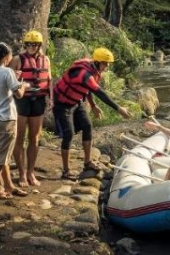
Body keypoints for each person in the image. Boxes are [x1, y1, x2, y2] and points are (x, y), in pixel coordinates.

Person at [52, 47, 133, 180]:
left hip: (76, 101)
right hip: (63, 104)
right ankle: (66, 171)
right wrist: (119, 108)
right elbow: (100, 92)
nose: (107, 67)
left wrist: (93, 105)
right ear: (97, 61)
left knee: (88, 127)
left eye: (108, 64)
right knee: (68, 134)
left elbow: (87, 90)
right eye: (105, 63)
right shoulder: (85, 74)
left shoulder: (93, 70)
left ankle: (87, 163)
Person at [0, 42, 29, 199]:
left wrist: (14, 79)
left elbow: (2, 85)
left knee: (3, 153)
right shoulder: (8, 72)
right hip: (7, 118)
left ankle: (9, 185)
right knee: (1, 156)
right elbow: (19, 95)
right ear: (7, 56)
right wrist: (24, 85)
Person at [13, 29, 52, 188]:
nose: (31, 47)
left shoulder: (46, 60)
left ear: (39, 45)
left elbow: (49, 79)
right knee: (19, 138)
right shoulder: (17, 59)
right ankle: (22, 173)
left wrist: (52, 99)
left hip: (39, 100)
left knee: (34, 138)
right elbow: (8, 80)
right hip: (22, 101)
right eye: (28, 44)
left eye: (34, 44)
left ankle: (30, 172)